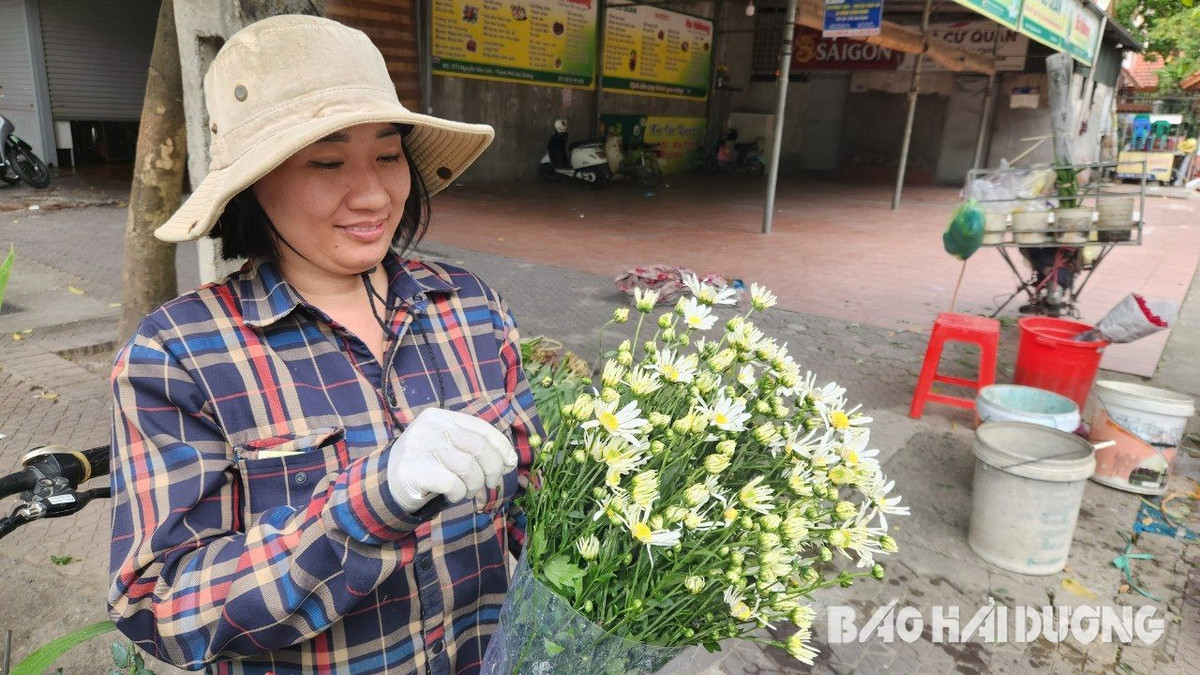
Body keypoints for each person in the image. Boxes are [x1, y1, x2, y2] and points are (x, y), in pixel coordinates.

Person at [108, 15, 540, 674]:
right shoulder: (178, 353)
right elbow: (160, 603)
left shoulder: (473, 309)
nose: (373, 193)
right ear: (256, 180)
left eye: (389, 154)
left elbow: (535, 504)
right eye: (328, 160)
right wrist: (370, 503)